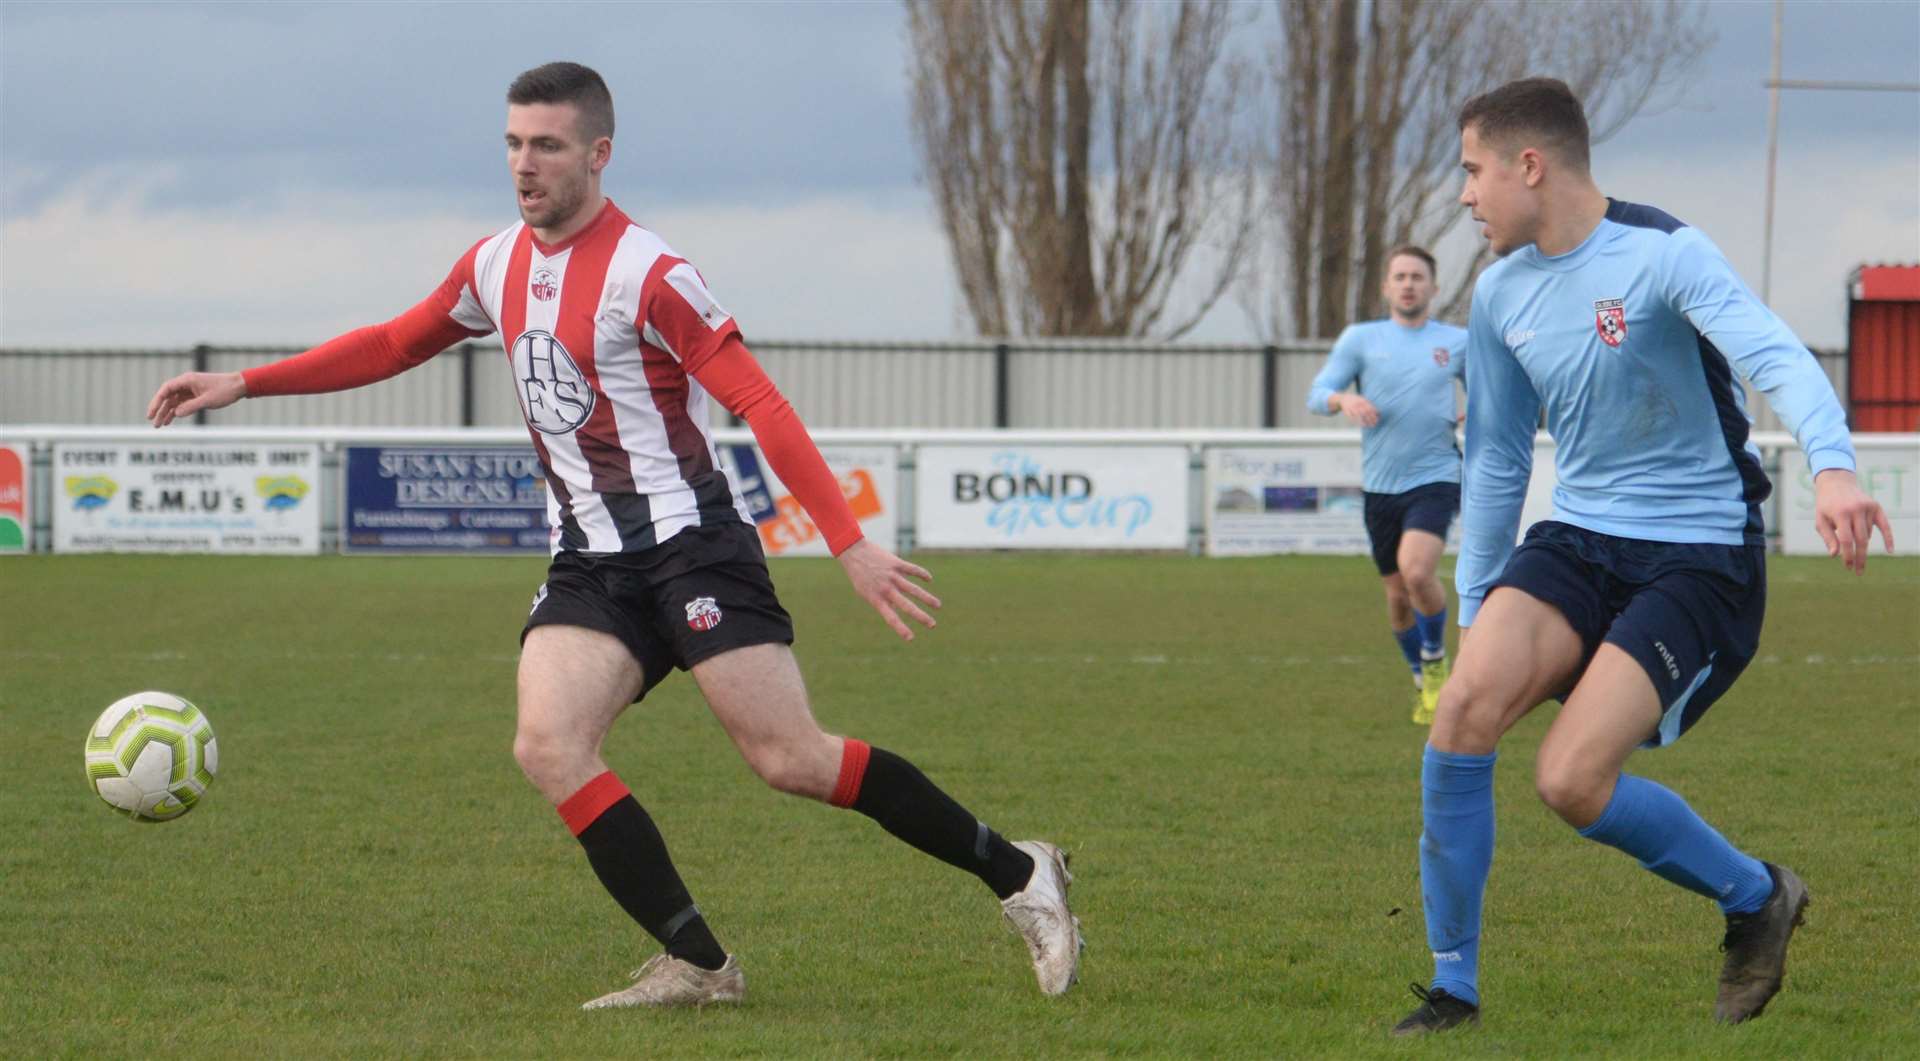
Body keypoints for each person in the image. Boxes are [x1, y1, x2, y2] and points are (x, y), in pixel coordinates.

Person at [145, 61, 1082, 1009]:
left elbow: (759, 400)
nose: (524, 163)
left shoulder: (653, 274)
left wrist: (848, 541)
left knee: (789, 759)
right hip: (591, 559)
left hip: (693, 546)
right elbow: (394, 342)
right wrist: (244, 382)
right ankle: (703, 967)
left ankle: (1021, 873)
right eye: (513, 142)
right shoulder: (493, 263)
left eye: (546, 144)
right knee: (548, 744)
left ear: (597, 153)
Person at [1393, 77, 1894, 1035]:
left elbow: (1779, 355)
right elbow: (1497, 455)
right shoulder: (1499, 294)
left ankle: (1756, 896)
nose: (1463, 196)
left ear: (1529, 165)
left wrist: (1832, 470)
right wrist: (1478, 595)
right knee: (1459, 714)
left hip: (1696, 552)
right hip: (1577, 539)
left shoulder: (1664, 254)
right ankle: (1453, 986)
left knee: (1569, 780)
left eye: (1472, 171)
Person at [1307, 246, 1468, 725]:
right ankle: (1420, 678)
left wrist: (1475, 408)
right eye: (1399, 276)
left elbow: (1491, 391)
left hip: (1436, 475)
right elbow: (1316, 394)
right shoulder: (1361, 338)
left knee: (1417, 572)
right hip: (1381, 487)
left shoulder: (1457, 342)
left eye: (1417, 276)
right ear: (1386, 287)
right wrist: (1342, 400)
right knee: (1397, 597)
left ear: (1433, 288)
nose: (1408, 284)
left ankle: (1436, 662)